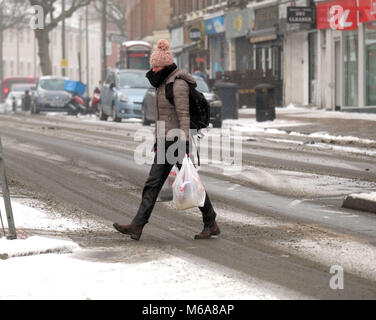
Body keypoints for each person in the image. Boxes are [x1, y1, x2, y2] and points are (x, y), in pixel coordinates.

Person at [113, 39, 220, 241]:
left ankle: (210, 221)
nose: (153, 70)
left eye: (156, 66)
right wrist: (158, 140)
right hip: (166, 141)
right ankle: (139, 225)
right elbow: (163, 117)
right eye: (152, 66)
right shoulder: (163, 83)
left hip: (177, 142)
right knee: (155, 184)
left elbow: (182, 115)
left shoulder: (177, 84)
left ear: (165, 65)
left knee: (188, 183)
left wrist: (185, 143)